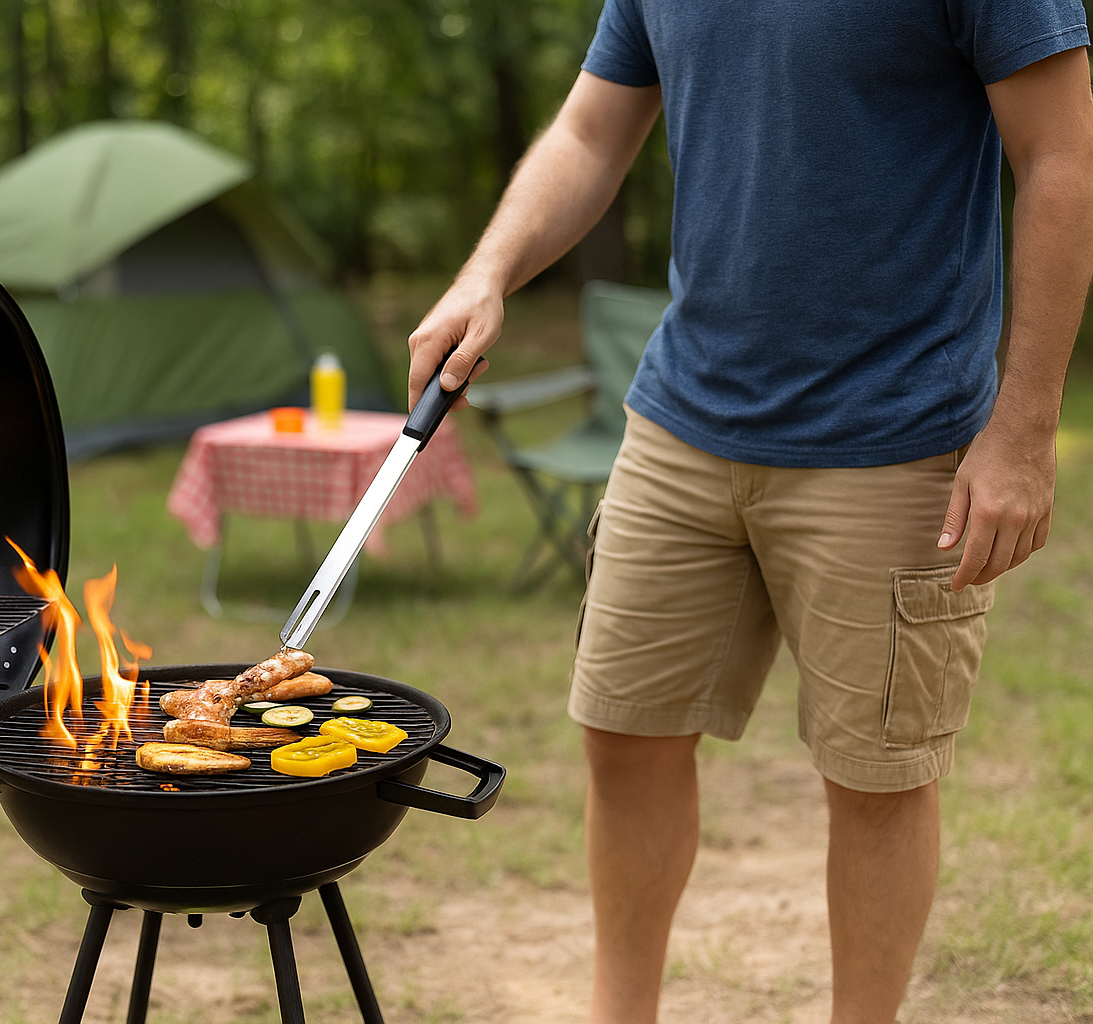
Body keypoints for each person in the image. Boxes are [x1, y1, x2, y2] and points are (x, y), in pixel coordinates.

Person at [406, 2, 1093, 1022]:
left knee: (878, 779)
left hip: (895, 433)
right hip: (683, 418)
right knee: (623, 736)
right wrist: (487, 271)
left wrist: (1025, 427)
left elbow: (1061, 159)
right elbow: (591, 130)